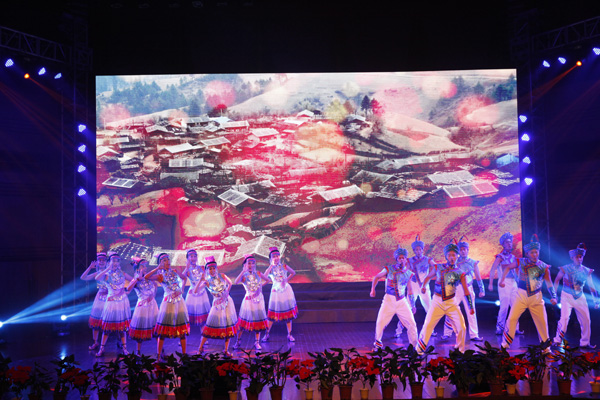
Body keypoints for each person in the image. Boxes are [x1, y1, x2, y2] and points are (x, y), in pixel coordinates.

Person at [499, 235, 557, 350]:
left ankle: (546, 348)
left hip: (536, 297)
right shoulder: (520, 262)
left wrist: (554, 296)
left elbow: (549, 283)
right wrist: (502, 280)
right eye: (532, 252)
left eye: (536, 252)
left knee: (542, 322)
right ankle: (505, 344)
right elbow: (507, 267)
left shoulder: (544, 267)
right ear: (527, 254)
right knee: (512, 318)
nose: (535, 254)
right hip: (521, 295)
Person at [416, 241, 474, 354]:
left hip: (451, 303)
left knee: (461, 327)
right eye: (449, 255)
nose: (452, 257)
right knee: (428, 325)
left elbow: (466, 291)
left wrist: (471, 306)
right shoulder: (438, 267)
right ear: (446, 256)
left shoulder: (460, 273)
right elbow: (428, 277)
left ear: (457, 256)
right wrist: (423, 286)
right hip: (437, 302)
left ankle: (460, 350)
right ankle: (419, 350)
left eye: (454, 255)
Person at [370, 246, 419, 350]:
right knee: (380, 322)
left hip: (402, 301)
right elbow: (377, 277)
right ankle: (377, 345)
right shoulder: (389, 269)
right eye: (399, 258)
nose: (401, 259)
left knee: (411, 323)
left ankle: (414, 346)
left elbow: (410, 290)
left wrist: (413, 305)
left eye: (403, 258)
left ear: (406, 259)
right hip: (389, 300)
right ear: (396, 259)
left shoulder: (408, 273)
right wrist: (373, 289)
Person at [553, 243, 599, 349]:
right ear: (572, 258)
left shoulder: (586, 270)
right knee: (564, 318)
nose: (579, 259)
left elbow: (591, 286)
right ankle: (557, 340)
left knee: (586, 320)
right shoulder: (565, 268)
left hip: (580, 296)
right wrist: (554, 295)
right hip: (566, 296)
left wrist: (596, 301)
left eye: (581, 257)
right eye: (577, 257)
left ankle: (585, 342)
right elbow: (557, 280)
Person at [145, 253, 190, 359]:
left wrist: (182, 290)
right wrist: (157, 268)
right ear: (160, 263)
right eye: (164, 260)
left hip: (179, 302)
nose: (167, 261)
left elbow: (184, 278)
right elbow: (146, 277)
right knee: (163, 331)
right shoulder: (160, 276)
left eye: (168, 259)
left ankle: (184, 355)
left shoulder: (175, 271)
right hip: (168, 303)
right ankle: (158, 356)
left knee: (182, 330)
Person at [440, 236, 484, 342]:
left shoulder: (473, 262)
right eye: (461, 249)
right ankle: (447, 333)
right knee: (450, 309)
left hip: (468, 289)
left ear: (468, 250)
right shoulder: (454, 262)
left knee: (471, 311)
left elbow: (478, 277)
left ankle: (474, 334)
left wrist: (482, 289)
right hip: (456, 289)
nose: (463, 251)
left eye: (465, 249)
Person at [196, 256, 238, 356]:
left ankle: (226, 350)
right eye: (210, 269)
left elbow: (230, 283)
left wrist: (226, 293)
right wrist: (200, 280)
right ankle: (200, 348)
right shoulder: (206, 281)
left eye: (213, 268)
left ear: (216, 268)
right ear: (207, 270)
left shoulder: (222, 275)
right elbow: (195, 291)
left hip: (227, 302)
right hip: (217, 304)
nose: (212, 270)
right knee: (210, 325)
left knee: (228, 326)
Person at [396, 235, 436, 338]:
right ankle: (398, 330)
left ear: (422, 250)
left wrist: (431, 275)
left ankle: (431, 330)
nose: (418, 251)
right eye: (416, 250)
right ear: (414, 251)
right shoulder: (410, 260)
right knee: (408, 308)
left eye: (420, 249)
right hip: (413, 286)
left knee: (429, 308)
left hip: (424, 286)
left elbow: (436, 266)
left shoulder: (427, 259)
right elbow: (405, 269)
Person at [94, 253, 132, 357]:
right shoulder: (106, 274)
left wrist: (127, 290)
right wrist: (107, 268)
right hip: (111, 302)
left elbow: (133, 280)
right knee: (107, 327)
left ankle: (125, 348)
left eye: (117, 261)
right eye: (113, 261)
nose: (115, 263)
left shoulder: (122, 273)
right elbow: (97, 278)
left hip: (122, 301)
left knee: (122, 327)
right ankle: (101, 349)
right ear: (109, 262)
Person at [488, 232, 523, 336]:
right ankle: (500, 327)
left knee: (515, 306)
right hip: (504, 283)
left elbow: (516, 271)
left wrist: (518, 282)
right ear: (503, 244)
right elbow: (493, 269)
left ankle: (515, 328)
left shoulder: (513, 257)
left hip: (513, 283)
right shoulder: (500, 257)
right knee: (504, 307)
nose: (509, 244)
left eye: (510, 242)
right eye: (507, 242)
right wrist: (490, 283)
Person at [233, 253, 270, 350]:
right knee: (243, 322)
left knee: (258, 320)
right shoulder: (244, 275)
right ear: (245, 264)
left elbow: (268, 280)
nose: (251, 265)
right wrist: (243, 271)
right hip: (249, 300)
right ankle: (238, 341)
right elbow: (236, 282)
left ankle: (257, 342)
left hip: (258, 299)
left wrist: (260, 287)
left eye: (253, 263)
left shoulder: (258, 273)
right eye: (249, 263)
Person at [262, 246, 298, 342]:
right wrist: (271, 266)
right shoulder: (270, 268)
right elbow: (264, 276)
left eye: (277, 255)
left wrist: (286, 280)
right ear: (270, 258)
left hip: (285, 290)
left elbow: (293, 272)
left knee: (288, 314)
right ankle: (266, 334)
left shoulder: (284, 266)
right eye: (274, 256)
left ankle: (289, 334)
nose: (276, 258)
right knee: (272, 315)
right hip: (276, 292)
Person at [127, 259, 159, 355]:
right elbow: (128, 288)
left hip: (152, 305)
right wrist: (137, 279)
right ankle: (138, 352)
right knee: (140, 329)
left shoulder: (148, 277)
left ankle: (160, 351)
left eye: (145, 266)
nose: (145, 268)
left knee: (156, 329)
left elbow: (155, 285)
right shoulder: (136, 279)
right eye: (142, 266)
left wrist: (153, 295)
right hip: (142, 307)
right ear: (137, 268)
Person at [81, 252, 108, 351]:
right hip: (100, 298)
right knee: (96, 321)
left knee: (110, 320)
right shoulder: (97, 273)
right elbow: (83, 278)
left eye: (103, 260)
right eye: (99, 260)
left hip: (109, 298)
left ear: (107, 262)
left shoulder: (110, 272)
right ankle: (95, 342)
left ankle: (119, 341)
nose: (101, 262)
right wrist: (90, 267)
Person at [183, 249, 211, 329]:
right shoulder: (187, 270)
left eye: (195, 256)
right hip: (192, 293)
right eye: (191, 256)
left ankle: (203, 334)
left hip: (202, 292)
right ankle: (185, 334)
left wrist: (202, 286)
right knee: (188, 317)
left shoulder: (202, 267)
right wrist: (186, 268)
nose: (193, 258)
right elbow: (181, 278)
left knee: (203, 315)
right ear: (187, 258)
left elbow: (207, 279)